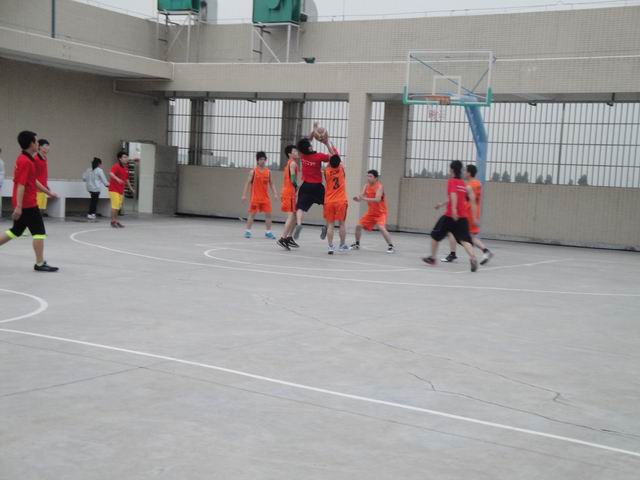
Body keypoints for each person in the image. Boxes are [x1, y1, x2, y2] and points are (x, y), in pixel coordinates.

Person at [0, 131, 59, 272]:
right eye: (37, 141)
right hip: (27, 204)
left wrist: (48, 192)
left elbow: (33, 181)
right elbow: (21, 185)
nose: (38, 144)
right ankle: (39, 263)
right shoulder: (25, 161)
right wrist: (19, 207)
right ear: (32, 143)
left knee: (15, 231)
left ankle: (40, 262)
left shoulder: (26, 159)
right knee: (39, 232)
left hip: (24, 203)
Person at [422, 160, 479, 272]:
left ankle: (432, 258)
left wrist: (453, 209)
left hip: (450, 216)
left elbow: (453, 195)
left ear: (452, 170)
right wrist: (442, 204)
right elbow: (468, 199)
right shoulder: (463, 184)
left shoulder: (452, 181)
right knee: (465, 239)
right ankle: (473, 257)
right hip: (462, 217)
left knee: (435, 235)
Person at [441, 164, 494, 265]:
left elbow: (459, 197)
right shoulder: (477, 183)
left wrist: (445, 204)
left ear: (469, 173)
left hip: (467, 214)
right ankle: (485, 251)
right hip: (473, 213)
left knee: (454, 232)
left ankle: (453, 254)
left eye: (465, 171)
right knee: (470, 237)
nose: (463, 172)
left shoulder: (469, 186)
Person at [292, 131, 338, 241]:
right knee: (327, 205)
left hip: (305, 186)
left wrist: (314, 131)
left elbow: (304, 143)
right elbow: (334, 158)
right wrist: (326, 143)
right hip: (317, 186)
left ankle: (299, 224)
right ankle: (326, 225)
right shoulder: (319, 156)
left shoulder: (302, 155)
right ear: (309, 147)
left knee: (300, 207)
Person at [351, 169, 395, 253]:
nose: (368, 178)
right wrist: (358, 198)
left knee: (381, 227)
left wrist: (364, 199)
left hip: (381, 212)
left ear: (376, 178)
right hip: (371, 212)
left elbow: (377, 199)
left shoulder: (379, 187)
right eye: (367, 176)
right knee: (358, 226)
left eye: (370, 176)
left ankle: (391, 246)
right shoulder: (366, 185)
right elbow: (361, 196)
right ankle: (357, 244)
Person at [241, 151, 278, 239]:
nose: (263, 161)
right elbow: (247, 183)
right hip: (255, 197)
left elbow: (272, 183)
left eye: (264, 159)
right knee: (252, 214)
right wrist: (244, 195)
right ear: (257, 161)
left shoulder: (268, 172)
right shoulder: (253, 172)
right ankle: (248, 231)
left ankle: (268, 232)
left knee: (268, 215)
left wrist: (275, 193)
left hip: (265, 198)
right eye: (261, 159)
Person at [323, 154, 349, 254]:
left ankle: (330, 247)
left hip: (329, 201)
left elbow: (329, 165)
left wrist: (329, 162)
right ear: (339, 163)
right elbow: (339, 161)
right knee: (342, 224)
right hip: (341, 201)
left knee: (330, 225)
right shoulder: (341, 169)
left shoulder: (326, 171)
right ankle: (342, 245)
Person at [277, 145, 300, 250]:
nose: (297, 152)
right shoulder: (293, 163)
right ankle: (282, 238)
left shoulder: (290, 163)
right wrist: (297, 186)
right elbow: (293, 179)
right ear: (290, 154)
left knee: (294, 216)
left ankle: (289, 237)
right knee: (291, 216)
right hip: (289, 193)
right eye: (294, 151)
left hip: (289, 192)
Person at [108, 151, 135, 228]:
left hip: (120, 190)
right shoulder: (116, 166)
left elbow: (127, 179)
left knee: (118, 207)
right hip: (113, 190)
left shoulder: (126, 168)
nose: (126, 158)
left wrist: (131, 188)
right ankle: (113, 221)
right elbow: (111, 173)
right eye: (124, 157)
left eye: (127, 157)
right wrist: (117, 179)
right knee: (115, 206)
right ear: (120, 158)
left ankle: (116, 221)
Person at [34, 139, 57, 217]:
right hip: (36, 190)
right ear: (40, 147)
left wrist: (46, 186)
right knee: (36, 212)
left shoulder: (45, 158)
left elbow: (43, 174)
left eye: (48, 146)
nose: (48, 148)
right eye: (46, 146)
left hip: (43, 189)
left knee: (41, 211)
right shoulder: (35, 158)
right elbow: (32, 175)